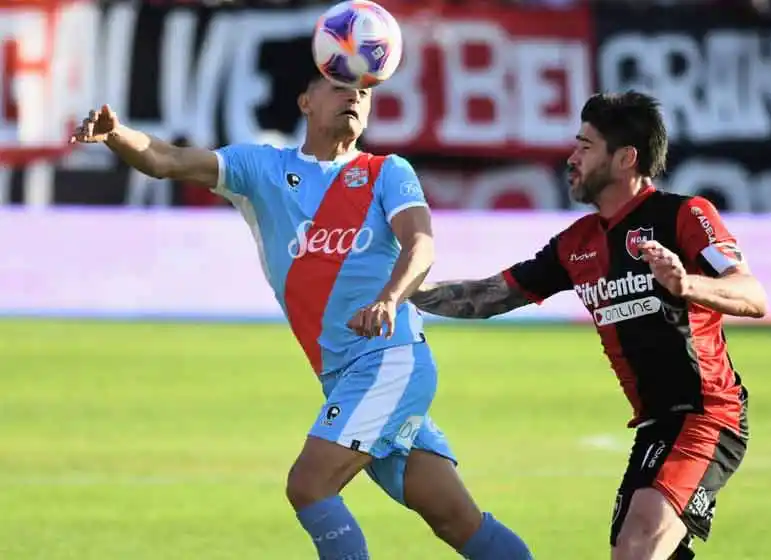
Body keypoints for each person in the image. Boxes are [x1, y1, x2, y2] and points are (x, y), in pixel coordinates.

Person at [69, 69, 533, 560]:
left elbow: (420, 243)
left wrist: (391, 298)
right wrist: (117, 135)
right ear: (305, 101)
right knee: (456, 520)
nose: (353, 97)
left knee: (309, 486)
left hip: (390, 362)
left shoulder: (387, 172)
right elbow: (168, 160)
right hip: (342, 375)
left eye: (364, 93)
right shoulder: (261, 170)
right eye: (339, 87)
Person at [410, 91, 768, 560]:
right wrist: (401, 291)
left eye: (585, 146)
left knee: (636, 550)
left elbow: (753, 295)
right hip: (657, 425)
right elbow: (487, 296)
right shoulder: (575, 244)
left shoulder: (684, 215)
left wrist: (687, 286)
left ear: (624, 158)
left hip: (706, 415)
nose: (571, 158)